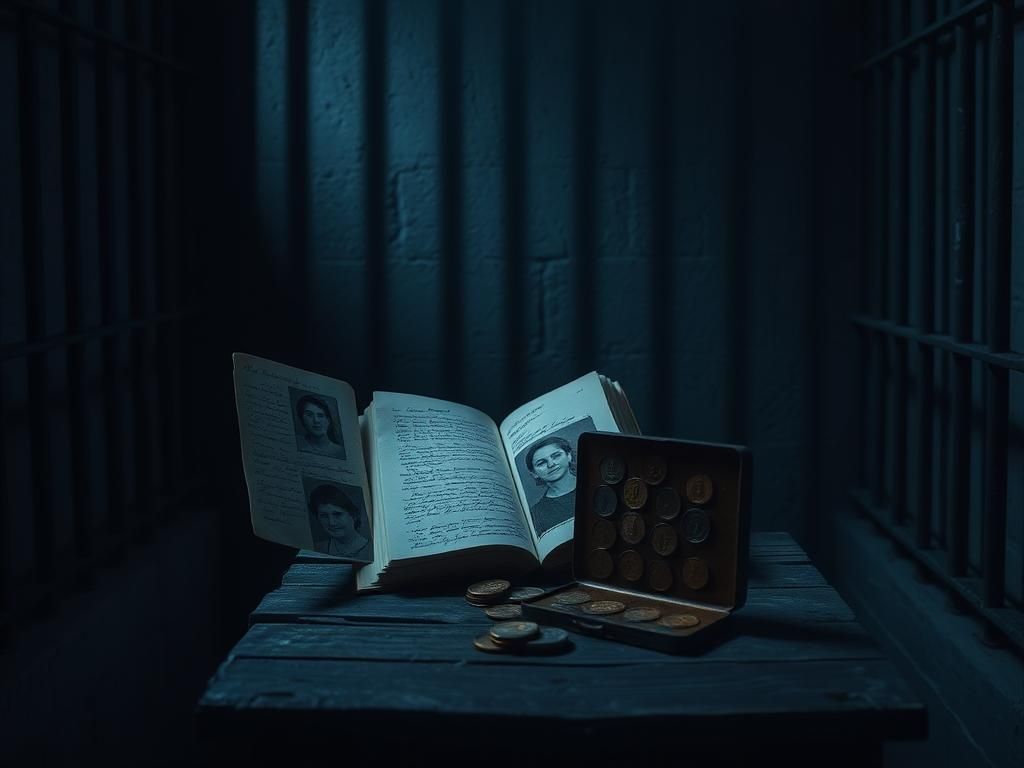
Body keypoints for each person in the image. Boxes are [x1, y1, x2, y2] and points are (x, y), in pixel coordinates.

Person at [525, 435, 577, 536]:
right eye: (541, 463)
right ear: (534, 474)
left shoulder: (593, 480)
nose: (551, 464)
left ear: (569, 456)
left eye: (556, 456)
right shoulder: (537, 514)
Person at [308, 484, 371, 560]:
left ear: (353, 515)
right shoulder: (316, 549)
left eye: (337, 514)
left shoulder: (371, 549)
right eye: (324, 516)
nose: (331, 522)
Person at [295, 394, 346, 459]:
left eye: (320, 415)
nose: (316, 420)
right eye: (309, 415)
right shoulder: (297, 443)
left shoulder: (340, 451)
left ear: (328, 420)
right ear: (301, 419)